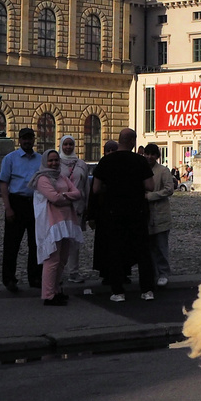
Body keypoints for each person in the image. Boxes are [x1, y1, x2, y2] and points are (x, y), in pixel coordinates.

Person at [90, 128, 156, 302]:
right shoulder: (139, 161)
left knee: (115, 251)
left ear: (119, 141)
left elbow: (95, 188)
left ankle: (117, 291)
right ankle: (147, 290)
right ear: (133, 141)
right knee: (143, 252)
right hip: (136, 210)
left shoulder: (106, 161)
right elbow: (150, 185)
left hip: (113, 212)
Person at [32, 149, 84, 306]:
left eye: (56, 160)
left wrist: (63, 197)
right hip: (52, 222)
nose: (54, 163)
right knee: (52, 259)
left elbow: (78, 193)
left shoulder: (61, 177)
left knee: (62, 259)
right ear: (45, 162)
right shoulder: (42, 179)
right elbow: (53, 197)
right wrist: (67, 196)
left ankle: (55, 290)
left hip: (66, 221)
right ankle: (48, 295)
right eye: (51, 160)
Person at [0, 127, 43, 292]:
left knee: (36, 243)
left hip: (35, 204)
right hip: (16, 203)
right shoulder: (10, 159)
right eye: (24, 138)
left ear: (34, 140)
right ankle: (9, 279)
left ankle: (35, 277)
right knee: (11, 244)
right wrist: (8, 207)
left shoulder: (41, 159)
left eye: (30, 138)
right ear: (19, 140)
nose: (27, 141)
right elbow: (3, 183)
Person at [57, 135, 91, 283]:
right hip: (60, 206)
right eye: (66, 144)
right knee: (59, 240)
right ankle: (57, 272)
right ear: (61, 145)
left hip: (77, 208)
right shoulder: (55, 163)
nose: (68, 147)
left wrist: (88, 207)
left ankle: (73, 271)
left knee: (74, 242)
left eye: (71, 144)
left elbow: (86, 187)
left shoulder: (81, 164)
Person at [143, 143, 175, 286]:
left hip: (161, 214)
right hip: (146, 214)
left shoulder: (163, 171)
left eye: (152, 154)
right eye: (147, 154)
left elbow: (169, 189)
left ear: (157, 156)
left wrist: (153, 196)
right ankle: (152, 273)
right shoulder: (142, 169)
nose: (149, 157)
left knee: (161, 247)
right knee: (149, 248)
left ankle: (163, 273)